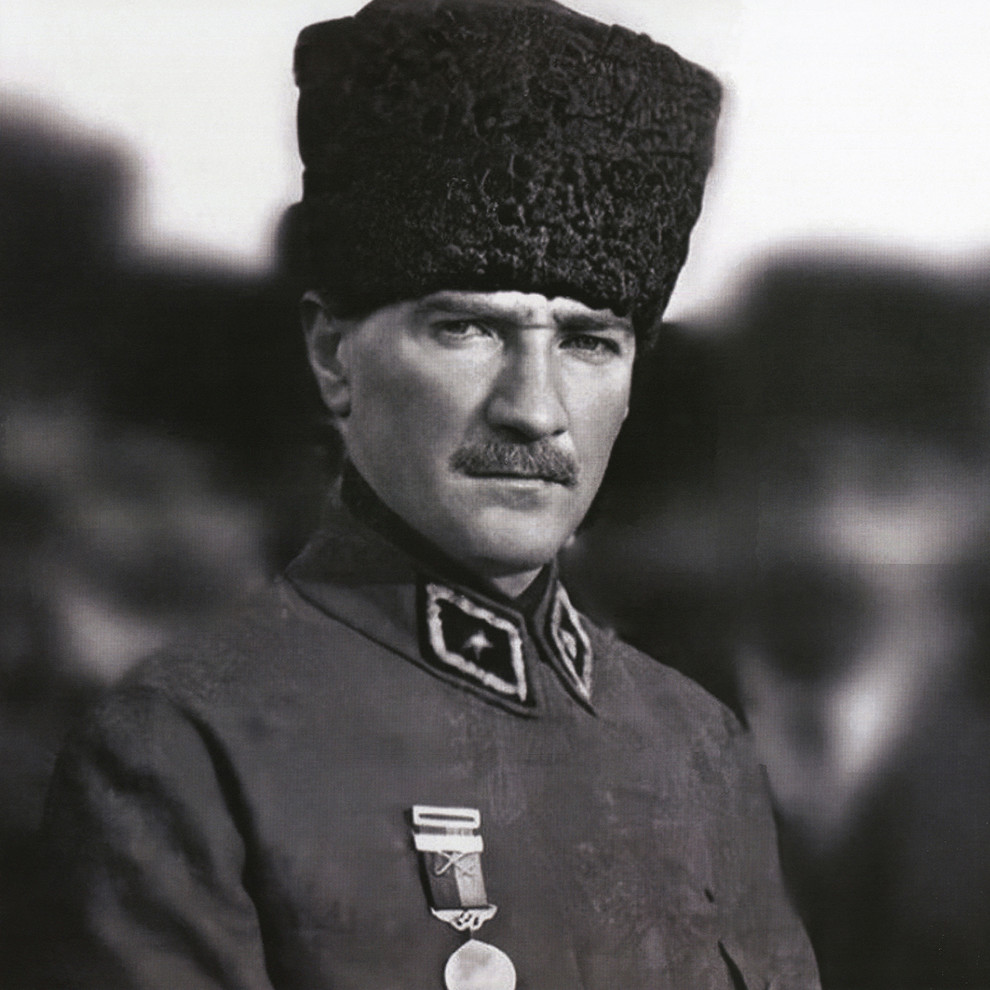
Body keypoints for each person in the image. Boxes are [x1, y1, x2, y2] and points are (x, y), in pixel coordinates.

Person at [28, 1, 820, 987]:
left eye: (588, 342)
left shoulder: (701, 746)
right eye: (468, 329)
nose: (535, 411)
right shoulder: (187, 747)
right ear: (333, 356)